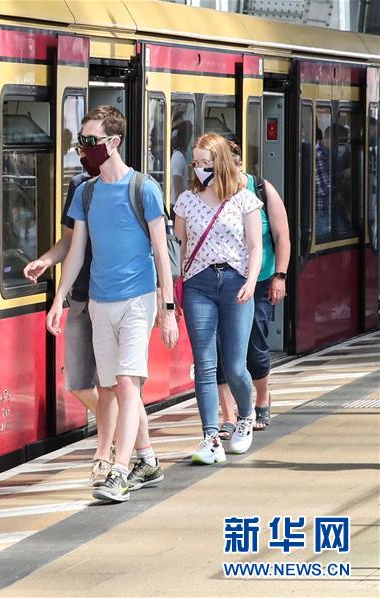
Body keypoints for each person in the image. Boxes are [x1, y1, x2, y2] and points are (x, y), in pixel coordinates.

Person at [46, 105, 179, 504]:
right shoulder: (85, 193)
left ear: (114, 142)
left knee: (126, 383)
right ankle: (147, 460)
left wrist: (167, 310)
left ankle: (119, 471)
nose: (84, 148)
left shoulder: (144, 188)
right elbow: (77, 251)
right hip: (99, 302)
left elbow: (162, 252)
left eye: (91, 141)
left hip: (138, 300)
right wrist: (59, 299)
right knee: (111, 386)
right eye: (81, 141)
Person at [24, 168, 118, 487]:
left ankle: (108, 452)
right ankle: (122, 428)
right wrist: (47, 261)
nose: (84, 152)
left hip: (114, 297)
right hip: (80, 296)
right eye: (81, 146)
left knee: (110, 383)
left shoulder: (133, 186)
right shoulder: (80, 186)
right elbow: (70, 241)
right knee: (78, 383)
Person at [173, 134, 263, 465]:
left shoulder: (245, 200)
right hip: (198, 284)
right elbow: (179, 245)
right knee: (204, 364)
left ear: (221, 163)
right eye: (196, 163)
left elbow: (255, 246)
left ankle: (245, 414)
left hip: (236, 283)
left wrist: (251, 281)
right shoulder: (186, 201)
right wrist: (175, 287)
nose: (200, 169)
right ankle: (210, 437)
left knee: (235, 366)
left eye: (206, 163)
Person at [215, 143, 291, 435]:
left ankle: (262, 397)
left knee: (254, 343)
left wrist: (280, 276)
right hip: (223, 281)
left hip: (260, 280)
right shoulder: (209, 192)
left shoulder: (261, 189)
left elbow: (281, 236)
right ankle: (228, 414)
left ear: (239, 165)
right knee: (221, 347)